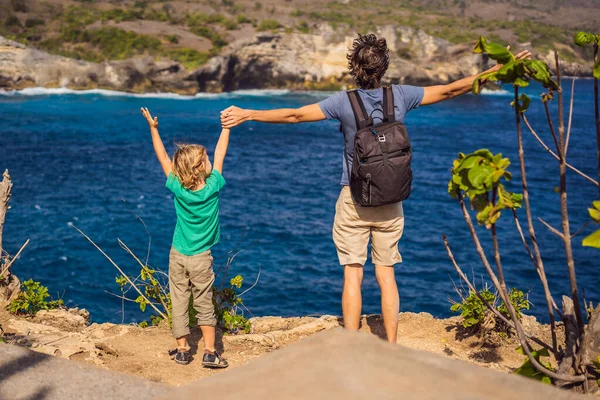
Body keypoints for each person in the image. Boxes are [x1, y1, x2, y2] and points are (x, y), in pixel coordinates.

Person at [219, 34, 531, 343]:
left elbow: (294, 115)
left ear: (354, 67)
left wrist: (249, 114)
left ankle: (354, 346)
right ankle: (391, 346)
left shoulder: (343, 101)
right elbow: (452, 89)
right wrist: (496, 71)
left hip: (353, 199)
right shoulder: (401, 96)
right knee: (386, 275)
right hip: (391, 199)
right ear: (383, 67)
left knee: (353, 275)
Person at [141, 107, 229, 368]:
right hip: (201, 257)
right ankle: (210, 351)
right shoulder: (213, 186)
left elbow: (162, 159)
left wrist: (153, 130)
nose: (211, 159)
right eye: (207, 158)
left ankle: (182, 349)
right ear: (201, 168)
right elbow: (222, 151)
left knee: (178, 299)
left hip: (177, 254)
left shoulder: (177, 185)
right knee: (203, 302)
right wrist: (226, 127)